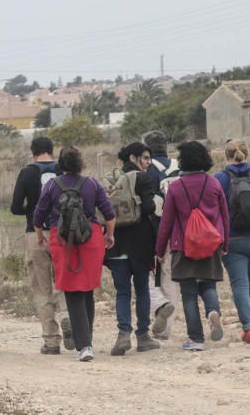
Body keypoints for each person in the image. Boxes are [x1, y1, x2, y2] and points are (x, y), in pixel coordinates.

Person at [33, 146, 116, 362]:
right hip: (91, 239)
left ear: (61, 164)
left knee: (71, 290)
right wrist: (110, 235)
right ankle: (87, 340)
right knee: (87, 289)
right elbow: (109, 213)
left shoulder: (52, 185)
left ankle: (84, 345)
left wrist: (40, 236)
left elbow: (38, 215)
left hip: (61, 241)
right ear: (81, 163)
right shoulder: (92, 183)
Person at [156, 141, 229, 351]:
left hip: (183, 246)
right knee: (208, 285)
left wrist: (160, 250)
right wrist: (224, 243)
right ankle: (213, 312)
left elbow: (166, 222)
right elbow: (225, 216)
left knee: (188, 292)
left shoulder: (176, 187)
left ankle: (196, 339)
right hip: (211, 243)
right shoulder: (214, 183)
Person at [11, 136, 72, 354]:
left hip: (35, 235)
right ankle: (67, 316)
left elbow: (15, 207)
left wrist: (33, 209)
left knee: (41, 288)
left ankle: (51, 340)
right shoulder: (63, 170)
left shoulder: (28, 172)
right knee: (64, 282)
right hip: (63, 234)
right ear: (52, 150)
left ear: (33, 151)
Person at [103, 142, 161, 356]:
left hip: (115, 243)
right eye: (145, 158)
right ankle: (143, 335)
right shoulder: (143, 178)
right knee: (142, 289)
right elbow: (149, 207)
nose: (148, 163)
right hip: (140, 243)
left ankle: (123, 334)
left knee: (122, 292)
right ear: (134, 158)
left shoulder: (111, 179)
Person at [215, 140, 250, 344]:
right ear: (247, 154)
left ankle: (249, 326)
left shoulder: (220, 178)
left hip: (232, 239)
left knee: (239, 285)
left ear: (226, 157)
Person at [142, 130, 179, 339]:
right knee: (172, 280)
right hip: (178, 233)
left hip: (153, 231)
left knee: (144, 275)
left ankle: (159, 304)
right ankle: (166, 329)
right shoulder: (178, 167)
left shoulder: (148, 171)